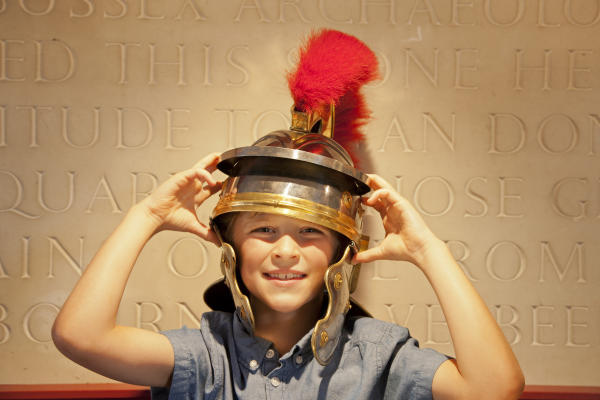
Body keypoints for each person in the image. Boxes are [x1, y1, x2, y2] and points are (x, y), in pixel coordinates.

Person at [52, 30, 525, 399]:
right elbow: (80, 336)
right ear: (231, 246)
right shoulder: (206, 353)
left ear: (342, 251)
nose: (284, 250)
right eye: (263, 229)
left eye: (309, 231)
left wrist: (427, 250)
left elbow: (494, 389)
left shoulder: (379, 355)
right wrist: (147, 215)